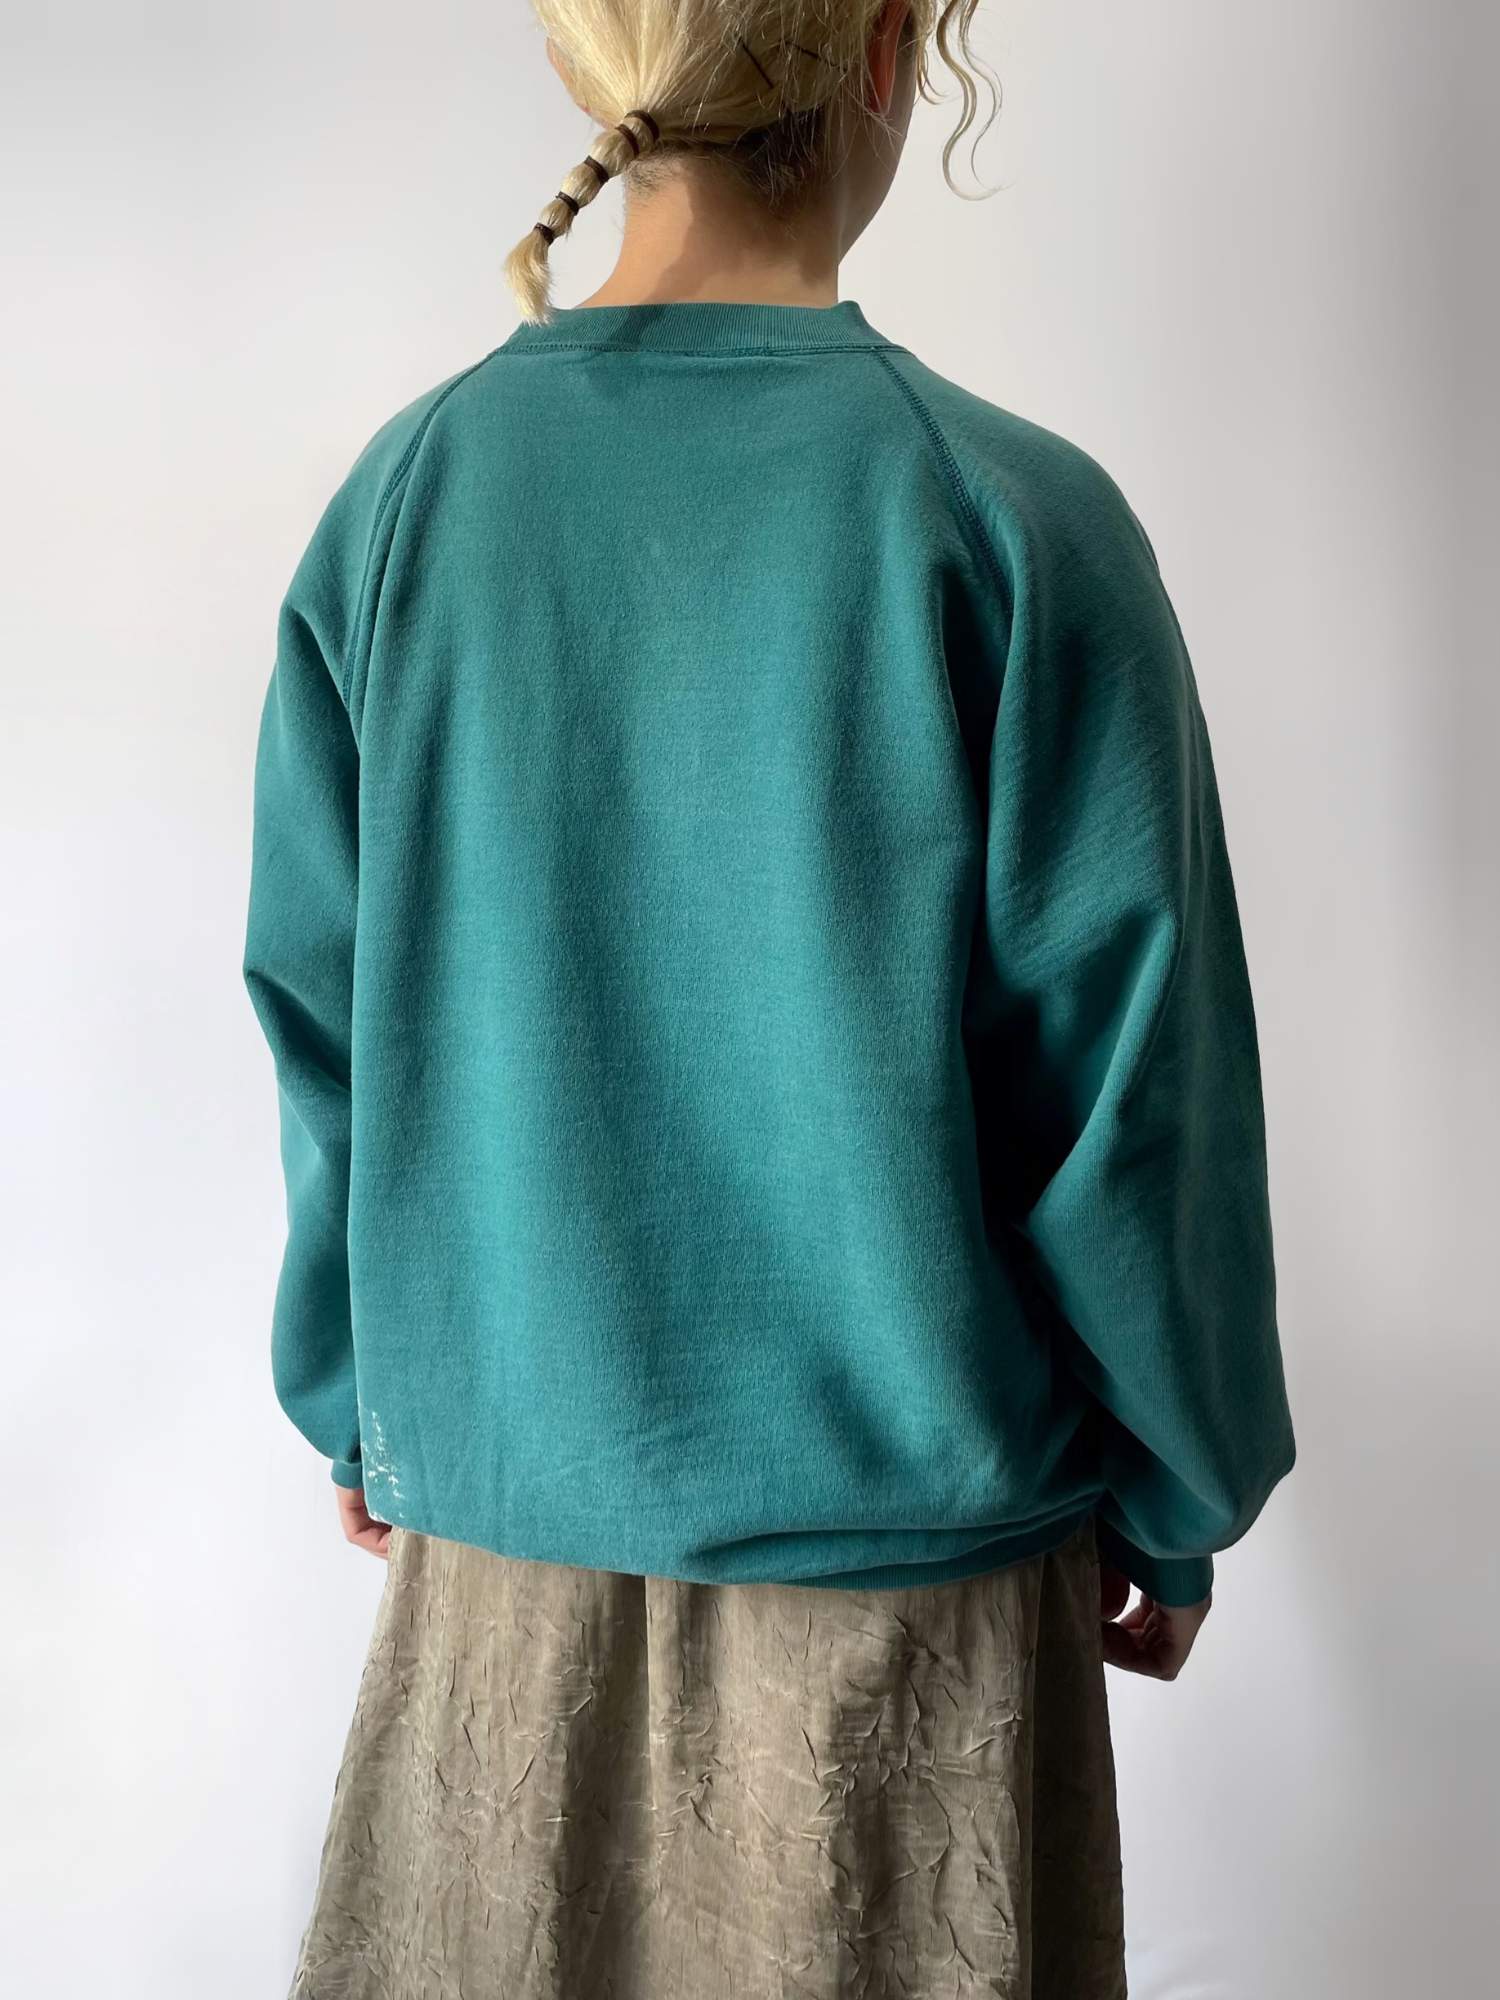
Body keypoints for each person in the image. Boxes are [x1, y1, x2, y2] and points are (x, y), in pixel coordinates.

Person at [243, 2, 1296, 1993]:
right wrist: (1179, 1486)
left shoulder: (407, 505)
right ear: (886, 51)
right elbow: (1133, 1093)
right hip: (912, 1624)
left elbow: (326, 1024)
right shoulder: (1010, 516)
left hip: (501, 1575)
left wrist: (369, 1395)